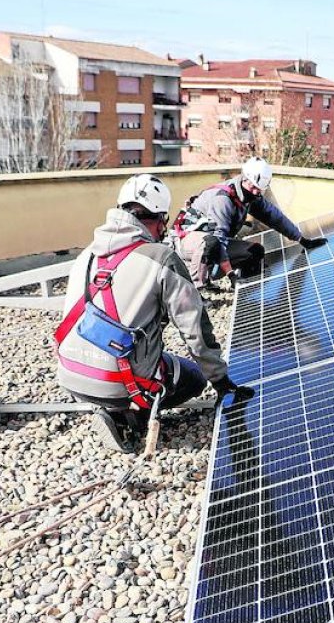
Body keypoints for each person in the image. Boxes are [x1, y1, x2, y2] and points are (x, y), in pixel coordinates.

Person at [55, 174, 254, 453]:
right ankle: (127, 418)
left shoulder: (85, 255)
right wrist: (221, 381)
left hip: (70, 373)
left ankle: (110, 402)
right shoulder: (161, 258)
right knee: (193, 377)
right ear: (160, 219)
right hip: (117, 380)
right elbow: (194, 329)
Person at [173, 157, 327, 289]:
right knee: (211, 243)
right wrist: (230, 274)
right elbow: (218, 239)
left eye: (259, 190)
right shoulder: (223, 200)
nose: (255, 192)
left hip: (213, 244)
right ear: (244, 178)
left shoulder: (251, 196)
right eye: (253, 187)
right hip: (187, 242)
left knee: (255, 251)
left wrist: (301, 239)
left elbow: (275, 217)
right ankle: (197, 289)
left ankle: (244, 291)